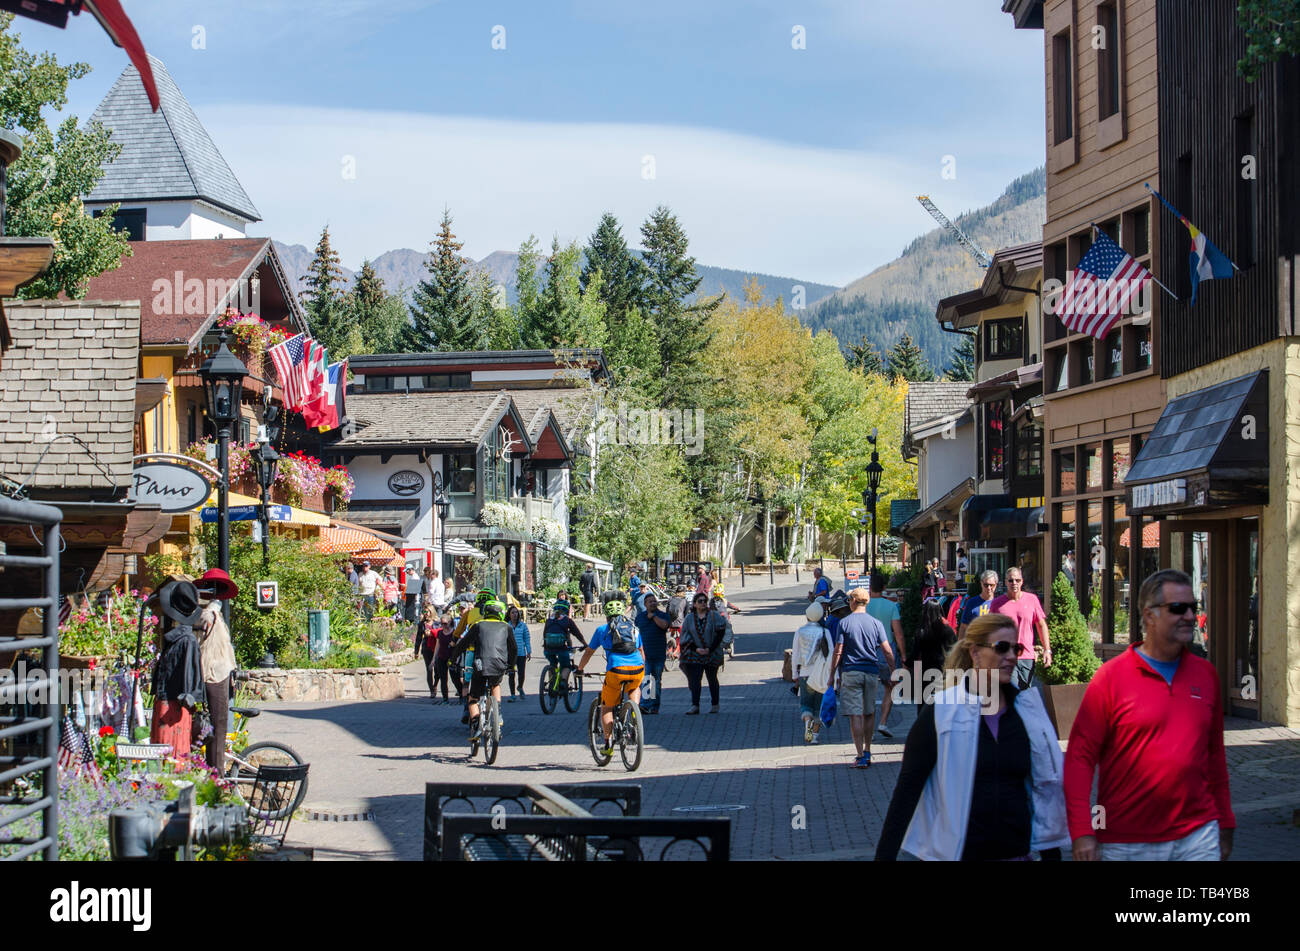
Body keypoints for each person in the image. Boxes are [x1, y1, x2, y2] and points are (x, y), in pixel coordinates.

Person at [1065, 569, 1236, 861]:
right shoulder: (1111, 677)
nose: (1189, 616)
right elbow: (1079, 758)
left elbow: (1215, 756)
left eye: (1192, 608)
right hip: (1128, 841)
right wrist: (1082, 831)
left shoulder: (1206, 674)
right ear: (1149, 616)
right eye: (1177, 608)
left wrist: (1226, 821)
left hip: (1198, 835)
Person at [875, 613, 1069, 861]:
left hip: (1018, 854)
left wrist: (1052, 855)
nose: (1011, 656)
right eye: (1001, 648)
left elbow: (1043, 789)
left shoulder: (1027, 712)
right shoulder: (942, 710)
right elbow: (906, 793)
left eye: (1016, 648)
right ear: (975, 653)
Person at [826, 587, 894, 768]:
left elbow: (838, 651)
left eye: (849, 600)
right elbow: (887, 650)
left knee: (855, 714)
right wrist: (894, 670)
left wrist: (832, 675)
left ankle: (859, 755)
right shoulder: (876, 623)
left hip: (851, 672)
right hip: (871, 672)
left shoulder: (845, 623)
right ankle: (868, 750)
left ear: (854, 601)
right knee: (869, 712)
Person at [574, 594, 644, 756]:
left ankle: (608, 743)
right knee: (634, 687)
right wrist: (643, 668)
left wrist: (580, 669)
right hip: (637, 668)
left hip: (616, 670)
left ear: (606, 615)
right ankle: (634, 715)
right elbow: (641, 650)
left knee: (606, 707)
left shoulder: (602, 630)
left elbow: (589, 652)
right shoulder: (634, 628)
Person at [448, 598, 517, 741]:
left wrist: (452, 659)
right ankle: (498, 713)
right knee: (495, 684)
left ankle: (475, 722)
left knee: (473, 696)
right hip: (499, 664)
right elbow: (513, 649)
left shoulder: (479, 625)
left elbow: (463, 644)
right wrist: (512, 665)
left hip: (480, 665)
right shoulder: (506, 627)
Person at [194, 568, 238, 773]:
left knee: (219, 725)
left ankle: (216, 770)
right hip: (213, 674)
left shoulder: (214, 615)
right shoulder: (207, 616)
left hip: (221, 674)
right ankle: (216, 772)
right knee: (217, 726)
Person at [990, 566, 1052, 689]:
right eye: (1011, 580)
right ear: (1005, 582)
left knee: (1025, 695)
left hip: (1027, 657)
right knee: (1013, 693)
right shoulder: (997, 604)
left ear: (1022, 581)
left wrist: (1047, 650)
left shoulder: (1032, 600)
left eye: (1017, 580)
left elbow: (1041, 625)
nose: (1014, 583)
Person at [864, 572, 906, 737]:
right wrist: (903, 655)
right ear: (884, 588)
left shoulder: (863, 607)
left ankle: (869, 729)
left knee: (869, 691)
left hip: (867, 651)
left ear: (869, 587)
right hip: (887, 650)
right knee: (891, 687)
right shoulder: (891, 606)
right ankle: (883, 722)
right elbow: (899, 634)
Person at [679, 589, 733, 714]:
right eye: (700, 601)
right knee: (695, 679)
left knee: (712, 678)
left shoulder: (714, 616)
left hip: (712, 653)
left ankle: (715, 704)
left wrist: (711, 648)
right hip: (695, 653)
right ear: (695, 604)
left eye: (705, 601)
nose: (703, 603)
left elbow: (721, 632)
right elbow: (685, 636)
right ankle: (695, 705)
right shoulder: (689, 618)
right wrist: (696, 648)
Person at [792, 602, 833, 744]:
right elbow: (832, 654)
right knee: (819, 706)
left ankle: (807, 722)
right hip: (821, 674)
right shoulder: (824, 632)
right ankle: (815, 735)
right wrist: (834, 675)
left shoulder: (800, 631)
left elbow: (795, 655)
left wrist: (794, 675)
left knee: (806, 704)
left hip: (805, 673)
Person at [911, 600, 957, 701]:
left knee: (923, 704)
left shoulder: (921, 631)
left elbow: (915, 653)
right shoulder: (947, 630)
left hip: (924, 671)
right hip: (942, 669)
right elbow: (954, 649)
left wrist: (907, 664)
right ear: (940, 610)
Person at [636, 591, 672, 714]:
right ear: (645, 604)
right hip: (644, 654)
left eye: (654, 601)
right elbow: (635, 633)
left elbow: (665, 626)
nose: (653, 603)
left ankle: (655, 706)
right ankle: (646, 705)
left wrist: (654, 617)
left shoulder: (662, 615)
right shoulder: (640, 617)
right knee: (646, 679)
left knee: (656, 680)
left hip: (658, 653)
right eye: (650, 602)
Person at [541, 599, 587, 688]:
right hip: (561, 648)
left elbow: (544, 635)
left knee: (553, 664)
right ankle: (562, 683)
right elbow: (577, 633)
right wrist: (584, 644)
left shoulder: (549, 620)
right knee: (566, 665)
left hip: (548, 649)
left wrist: (545, 645)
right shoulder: (567, 620)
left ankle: (552, 684)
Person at [957, 570, 999, 639]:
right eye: (986, 585)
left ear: (996, 584)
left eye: (991, 585)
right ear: (981, 584)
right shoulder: (972, 603)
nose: (989, 588)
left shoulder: (999, 603)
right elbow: (963, 627)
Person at [413, 605, 440, 702]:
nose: (426, 614)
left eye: (427, 612)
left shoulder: (437, 623)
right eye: (424, 612)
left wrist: (432, 632)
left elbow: (440, 634)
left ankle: (435, 684)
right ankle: (432, 690)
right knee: (429, 669)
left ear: (431, 612)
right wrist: (416, 651)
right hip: (426, 648)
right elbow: (418, 638)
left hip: (436, 647)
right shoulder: (422, 624)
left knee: (437, 669)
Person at [505, 605, 531, 701]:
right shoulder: (506, 626)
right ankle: (512, 694)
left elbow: (527, 639)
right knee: (511, 674)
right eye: (513, 612)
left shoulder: (523, 625)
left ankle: (520, 687)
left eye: (516, 612)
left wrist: (528, 651)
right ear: (509, 614)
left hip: (521, 653)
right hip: (510, 654)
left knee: (521, 673)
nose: (515, 614)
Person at [431, 611, 458, 704]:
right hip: (441, 658)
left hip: (451, 658)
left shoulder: (454, 633)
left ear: (450, 622)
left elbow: (458, 645)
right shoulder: (440, 633)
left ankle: (463, 695)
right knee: (443, 679)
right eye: (441, 623)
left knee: (455, 678)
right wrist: (433, 659)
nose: (443, 625)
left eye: (445, 623)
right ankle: (445, 698)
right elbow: (437, 646)